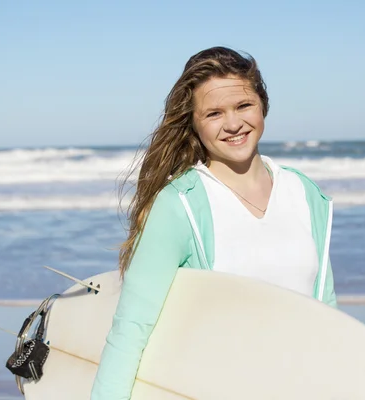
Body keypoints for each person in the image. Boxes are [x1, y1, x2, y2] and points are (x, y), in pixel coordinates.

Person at [91, 46, 337, 399]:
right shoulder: (180, 205)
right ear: (194, 122)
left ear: (263, 105)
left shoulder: (304, 193)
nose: (234, 124)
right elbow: (132, 325)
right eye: (214, 113)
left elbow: (327, 313)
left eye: (243, 106)